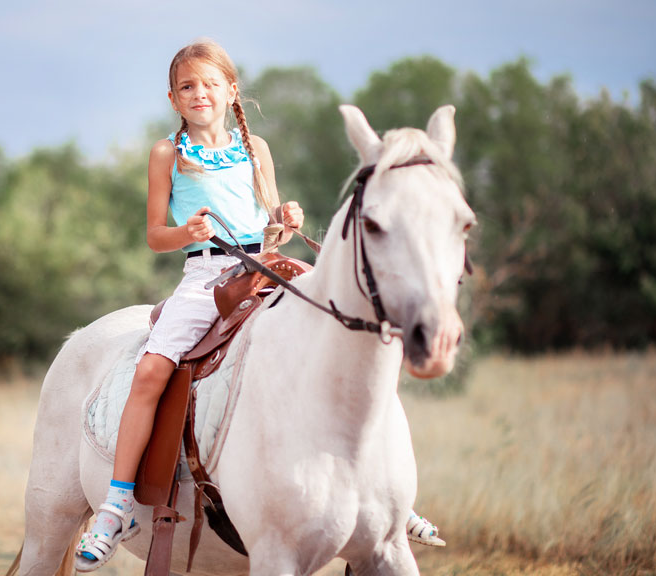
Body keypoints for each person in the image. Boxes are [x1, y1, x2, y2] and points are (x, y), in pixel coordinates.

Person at [75, 39, 440, 571]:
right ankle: (115, 504)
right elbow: (155, 234)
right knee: (152, 370)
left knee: (353, 332)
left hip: (264, 267)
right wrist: (185, 232)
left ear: (231, 91)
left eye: (209, 84)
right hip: (205, 277)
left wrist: (285, 218)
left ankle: (386, 490)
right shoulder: (165, 153)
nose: (199, 94)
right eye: (187, 87)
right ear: (173, 98)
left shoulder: (255, 147)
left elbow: (272, 219)